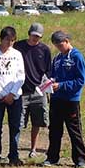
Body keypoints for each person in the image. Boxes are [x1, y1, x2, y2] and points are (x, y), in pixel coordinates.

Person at [43, 31, 85, 168]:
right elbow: (54, 75)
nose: (59, 48)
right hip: (56, 99)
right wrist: (50, 82)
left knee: (74, 130)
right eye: (56, 45)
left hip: (71, 99)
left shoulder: (76, 57)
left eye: (61, 44)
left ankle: (80, 159)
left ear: (67, 41)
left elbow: (81, 80)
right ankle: (52, 157)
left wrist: (62, 85)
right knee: (55, 130)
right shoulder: (57, 59)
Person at [13, 23, 51, 159]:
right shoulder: (18, 46)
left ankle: (33, 149)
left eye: (38, 36)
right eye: (34, 35)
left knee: (38, 121)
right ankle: (14, 151)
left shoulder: (44, 50)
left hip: (38, 92)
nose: (36, 38)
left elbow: (48, 72)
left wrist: (45, 89)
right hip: (21, 91)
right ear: (29, 33)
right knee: (18, 122)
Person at [0, 26, 25, 166]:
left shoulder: (17, 54)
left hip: (14, 96)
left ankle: (14, 155)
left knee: (15, 126)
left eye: (12, 40)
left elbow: (21, 76)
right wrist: (3, 94)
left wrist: (12, 93)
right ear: (1, 39)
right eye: (7, 40)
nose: (9, 43)